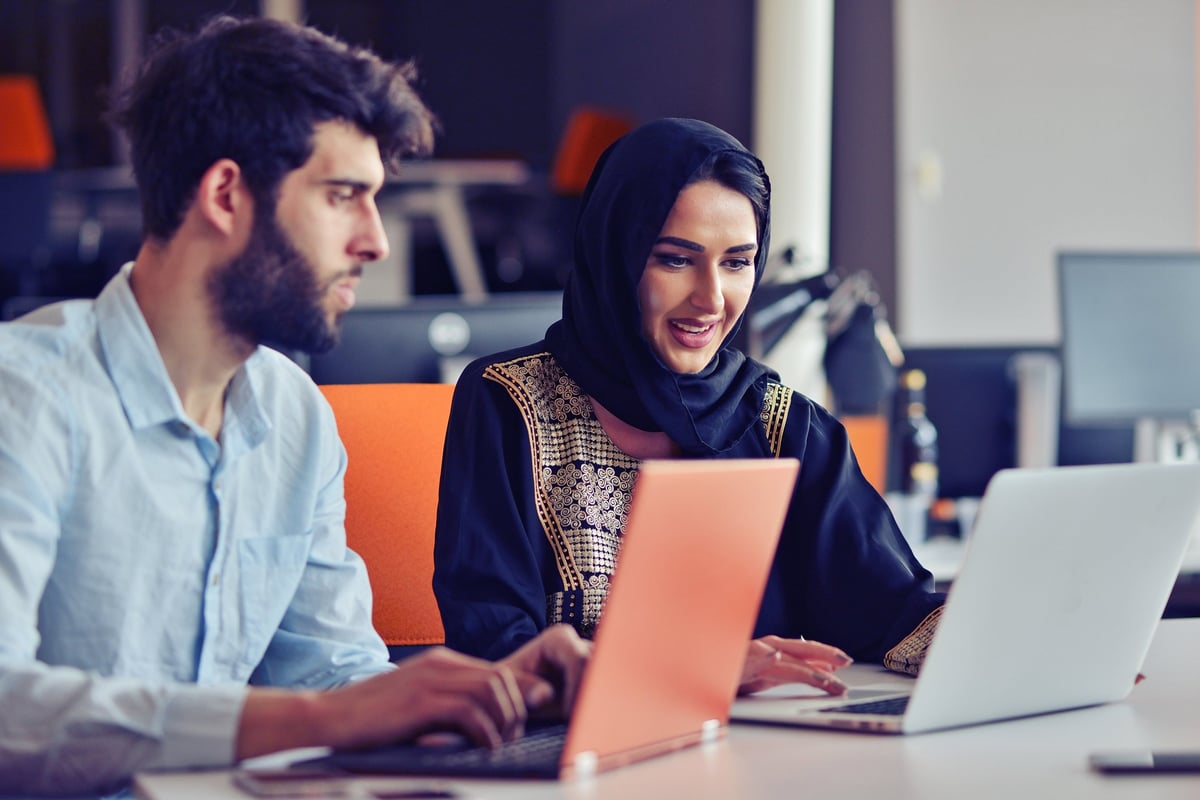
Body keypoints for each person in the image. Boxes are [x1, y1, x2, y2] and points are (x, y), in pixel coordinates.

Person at [0, 16, 588, 798]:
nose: (375, 241)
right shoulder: (25, 395)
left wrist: (475, 698)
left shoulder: (294, 414)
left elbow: (336, 674)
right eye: (344, 196)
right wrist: (315, 720)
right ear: (225, 194)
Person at [433, 118, 945, 696]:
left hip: (770, 760)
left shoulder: (783, 425)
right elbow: (495, 652)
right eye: (676, 260)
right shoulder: (508, 403)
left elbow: (892, 611)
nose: (711, 299)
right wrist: (700, 672)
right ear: (616, 257)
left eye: (736, 263)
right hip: (580, 766)